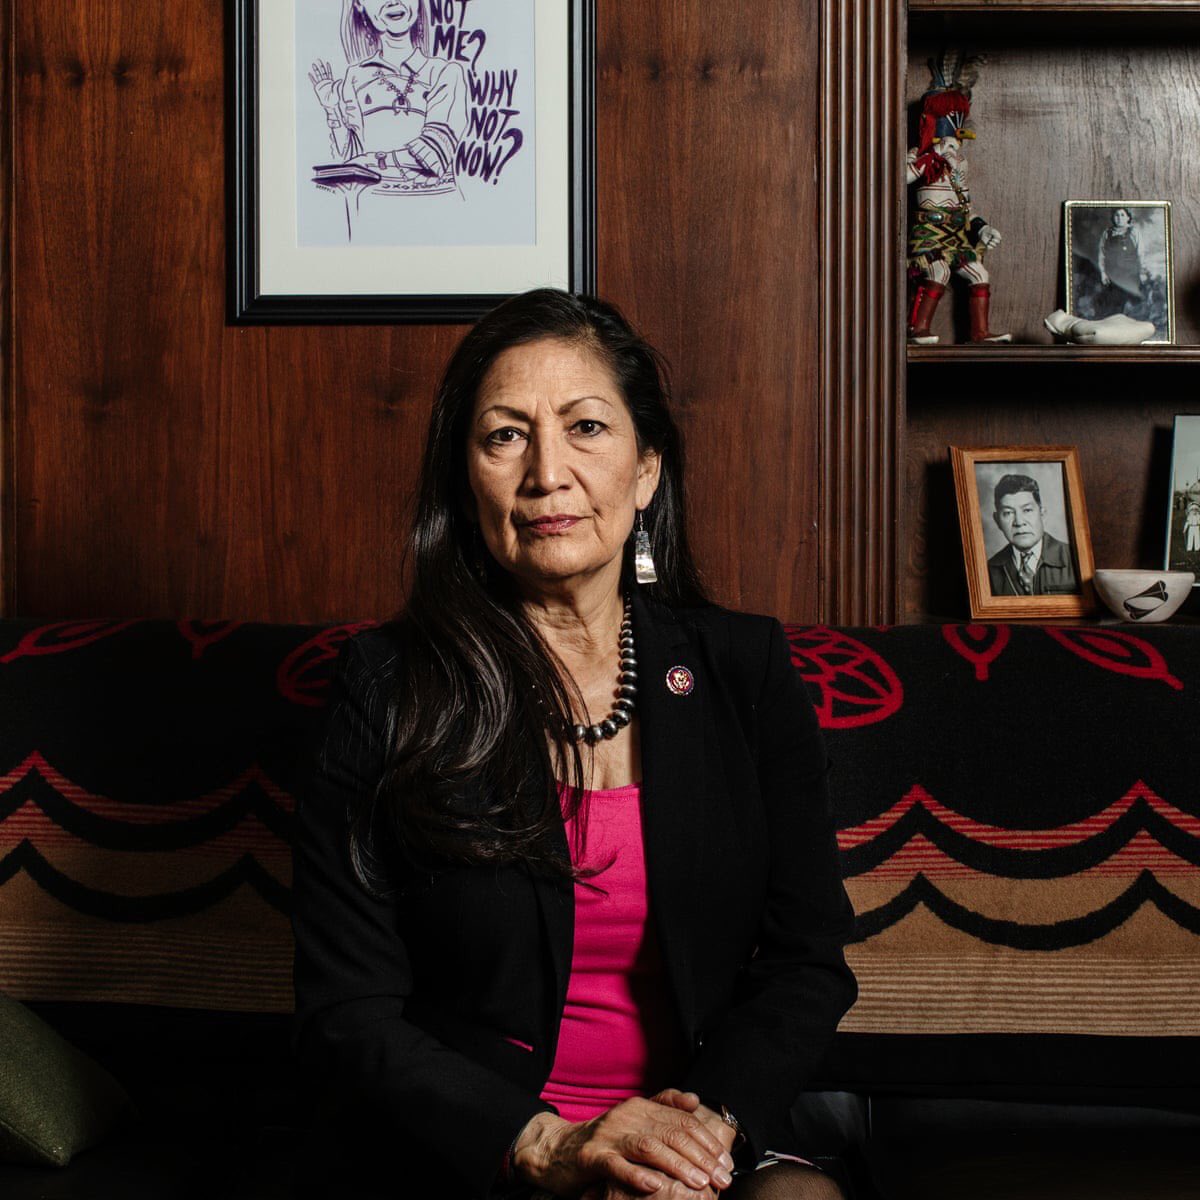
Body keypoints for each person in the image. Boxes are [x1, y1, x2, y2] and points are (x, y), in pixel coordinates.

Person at [291, 289, 857, 1200]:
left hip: (703, 1133)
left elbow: (808, 960)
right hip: (486, 1147)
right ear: (465, 482)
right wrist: (548, 1145)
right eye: (504, 437)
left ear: (646, 470)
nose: (547, 473)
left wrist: (697, 1140)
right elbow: (347, 1009)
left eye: (586, 427)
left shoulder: (743, 669)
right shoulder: (388, 684)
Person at [309, 0, 468, 196]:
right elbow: (347, 160)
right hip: (370, 202)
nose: (393, 1)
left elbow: (436, 150)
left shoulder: (445, 72)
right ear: (359, 5)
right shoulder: (355, 76)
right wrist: (332, 109)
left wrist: (374, 160)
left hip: (435, 200)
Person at [986, 473, 1078, 597]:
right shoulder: (989, 570)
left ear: (1042, 514)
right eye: (1008, 513)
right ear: (997, 520)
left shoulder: (1074, 558)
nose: (1019, 522)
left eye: (1027, 510)